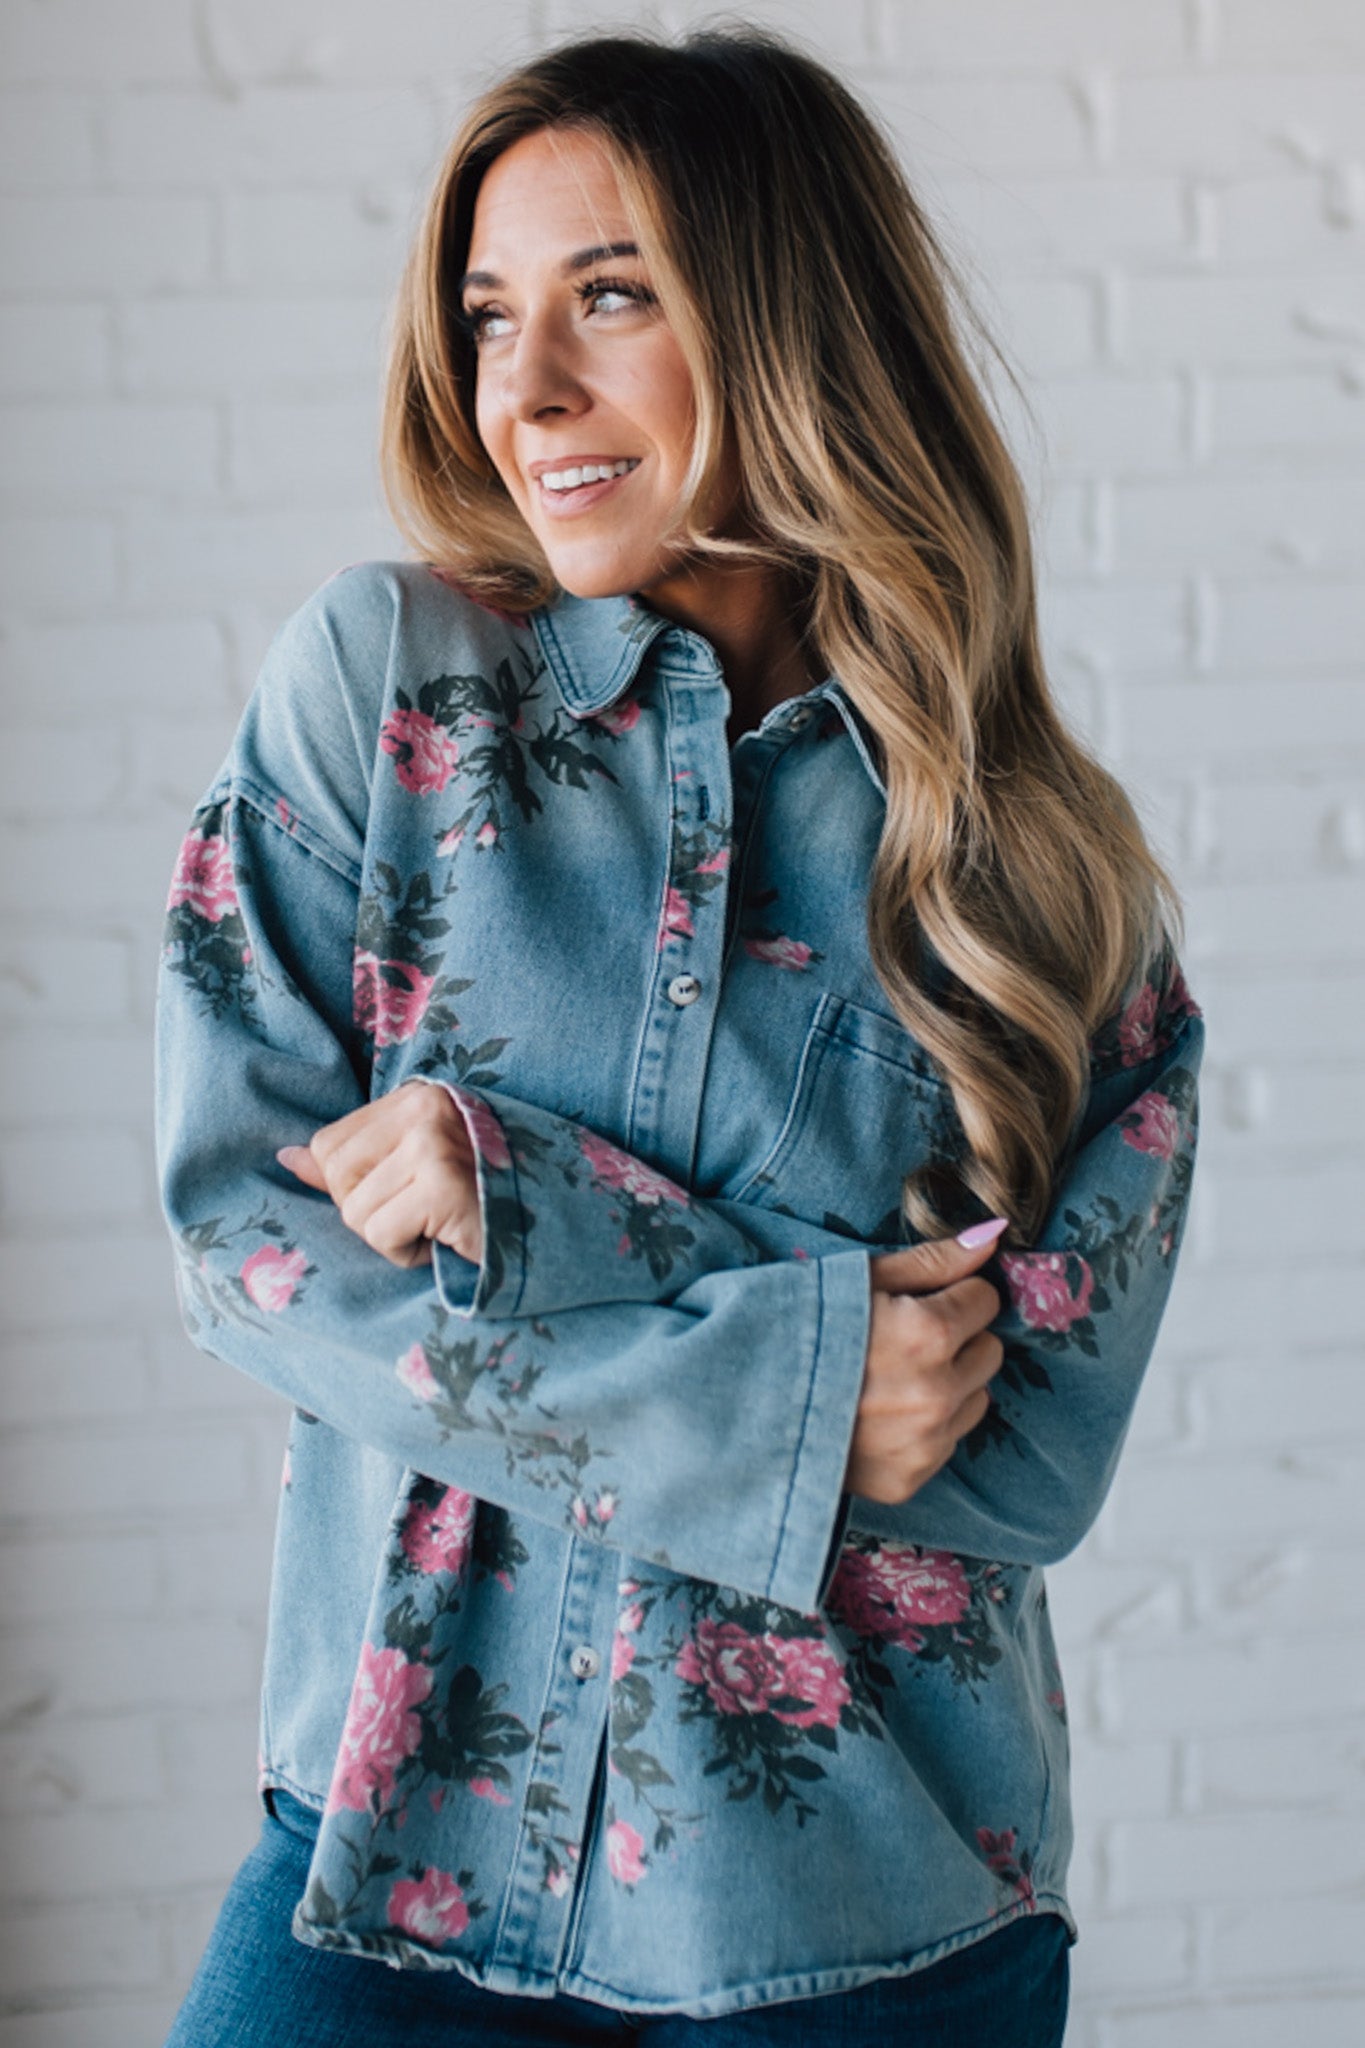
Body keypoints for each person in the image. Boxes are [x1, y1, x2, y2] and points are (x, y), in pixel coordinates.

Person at [154, 25, 1204, 2047]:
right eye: (486, 317)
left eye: (607, 295)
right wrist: (808, 1376)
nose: (523, 391)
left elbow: (1010, 1456)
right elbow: (248, 1246)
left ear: (788, 320)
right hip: (383, 1876)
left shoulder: (1036, 880)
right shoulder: (378, 704)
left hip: (862, 1938)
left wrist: (514, 1202)